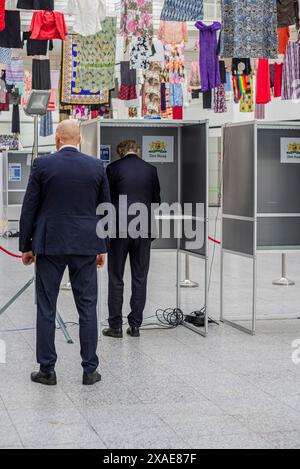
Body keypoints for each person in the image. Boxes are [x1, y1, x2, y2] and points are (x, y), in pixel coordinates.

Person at [19, 120, 110, 386]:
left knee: (47, 306)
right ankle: (89, 370)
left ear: (57, 138)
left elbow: (29, 207)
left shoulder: (43, 165)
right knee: (87, 306)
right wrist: (101, 247)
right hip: (85, 244)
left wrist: (26, 245)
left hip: (50, 244)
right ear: (79, 139)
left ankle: (47, 370)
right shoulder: (96, 166)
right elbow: (104, 208)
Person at [103, 140, 161, 339]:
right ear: (138, 151)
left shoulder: (112, 168)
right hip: (143, 228)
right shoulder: (151, 169)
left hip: (118, 229)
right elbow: (156, 200)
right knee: (139, 277)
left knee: (116, 277)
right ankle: (135, 325)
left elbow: (106, 200)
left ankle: (115, 326)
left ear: (120, 153)